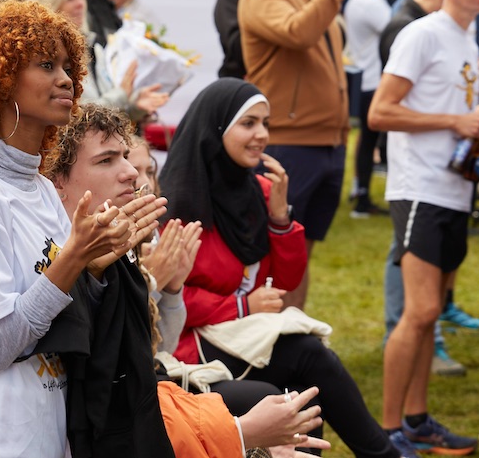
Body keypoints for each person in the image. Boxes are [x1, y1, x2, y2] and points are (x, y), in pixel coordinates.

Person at [0, 0, 141, 458]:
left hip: (41, 434)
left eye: (67, 66)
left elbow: (61, 316)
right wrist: (74, 256)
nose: (66, 79)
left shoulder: (37, 188)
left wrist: (96, 264)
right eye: (46, 65)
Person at [43, 102, 331, 458]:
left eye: (137, 164)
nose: (133, 174)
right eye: (107, 160)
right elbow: (110, 391)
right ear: (56, 180)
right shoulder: (61, 255)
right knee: (295, 371)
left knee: (300, 381)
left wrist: (280, 219)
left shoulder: (122, 243)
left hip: (166, 383)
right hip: (180, 367)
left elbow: (144, 355)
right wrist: (240, 435)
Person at [159, 78, 402, 458]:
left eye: (265, 123)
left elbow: (286, 281)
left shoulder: (259, 190)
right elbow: (170, 295)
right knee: (307, 355)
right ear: (215, 128)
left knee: (302, 394)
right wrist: (242, 306)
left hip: (246, 337)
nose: (261, 134)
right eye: (248, 123)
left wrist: (280, 220)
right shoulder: (180, 201)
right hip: (192, 348)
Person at [368, 0, 479, 456]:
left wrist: (477, 123)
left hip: (455, 189)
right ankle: (388, 432)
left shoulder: (468, 37)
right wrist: (456, 121)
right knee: (419, 312)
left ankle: (417, 421)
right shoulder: (421, 33)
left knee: (431, 314)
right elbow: (379, 112)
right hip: (419, 188)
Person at [237, 0, 363, 309]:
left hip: (326, 143)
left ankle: (294, 336)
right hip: (287, 143)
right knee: (273, 258)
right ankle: (272, 340)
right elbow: (299, 32)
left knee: (299, 254)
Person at [25, 0, 168, 125]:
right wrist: (121, 95)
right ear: (48, 3)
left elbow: (100, 120)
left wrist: (135, 108)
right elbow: (75, 117)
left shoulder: (94, 48)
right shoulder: (40, 56)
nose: (80, 4)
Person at [342, 0, 391, 218]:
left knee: (364, 139)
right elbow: (396, 30)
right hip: (373, 80)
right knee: (371, 140)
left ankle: (359, 192)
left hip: (359, 76)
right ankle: (362, 199)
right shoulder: (369, 1)